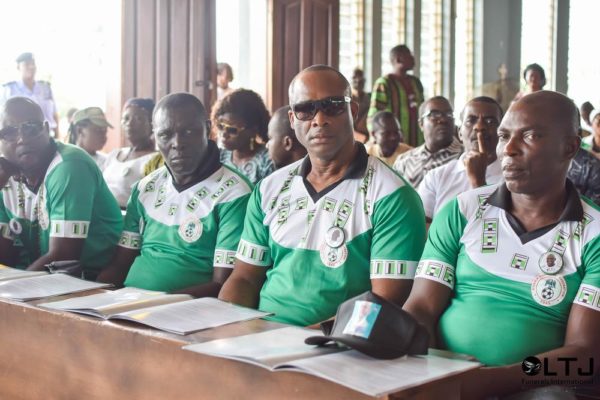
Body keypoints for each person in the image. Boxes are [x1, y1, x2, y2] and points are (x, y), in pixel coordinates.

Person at [403, 91, 600, 399]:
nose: (508, 149)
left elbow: (583, 356)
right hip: (447, 376)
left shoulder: (594, 233)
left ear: (570, 147)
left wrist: (491, 381)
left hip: (534, 386)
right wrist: (431, 373)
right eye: (504, 136)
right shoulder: (463, 211)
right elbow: (421, 308)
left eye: (530, 136)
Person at [219, 65, 426, 326]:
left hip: (338, 350)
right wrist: (224, 328)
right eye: (306, 109)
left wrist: (295, 341)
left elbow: (383, 304)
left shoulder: (392, 196)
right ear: (293, 120)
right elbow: (244, 278)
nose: (318, 119)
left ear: (352, 111)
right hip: (261, 340)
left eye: (332, 106)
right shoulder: (268, 189)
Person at [97, 93, 252, 296]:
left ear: (207, 129)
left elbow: (223, 284)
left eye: (188, 132)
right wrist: (93, 297)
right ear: (155, 136)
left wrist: (156, 304)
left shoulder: (233, 193)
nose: (177, 143)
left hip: (186, 315)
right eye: (165, 135)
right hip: (129, 305)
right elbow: (119, 265)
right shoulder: (145, 188)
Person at [0, 97, 122, 279]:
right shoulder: (6, 175)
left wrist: (11, 290)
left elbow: (63, 258)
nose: (22, 139)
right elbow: (5, 256)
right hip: (39, 283)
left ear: (47, 130)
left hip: (92, 281)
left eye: (31, 128)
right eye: (9, 132)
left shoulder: (69, 165)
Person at [418, 97, 504, 220]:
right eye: (471, 120)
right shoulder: (436, 177)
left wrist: (478, 184)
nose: (479, 126)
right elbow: (422, 228)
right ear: (459, 133)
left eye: (490, 121)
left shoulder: (513, 179)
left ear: (502, 133)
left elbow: (499, 232)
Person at [393, 96, 463, 188]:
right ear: (421, 124)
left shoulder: (465, 157)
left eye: (449, 114)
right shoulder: (404, 161)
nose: (443, 120)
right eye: (434, 114)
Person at [103, 98, 157, 207]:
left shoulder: (155, 160)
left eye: (138, 119)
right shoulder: (114, 155)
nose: (130, 123)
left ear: (152, 124)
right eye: (126, 118)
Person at [213, 89, 275, 184]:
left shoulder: (267, 161)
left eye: (232, 129)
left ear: (253, 130)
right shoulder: (219, 157)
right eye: (220, 126)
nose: (224, 134)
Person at [368, 45, 424, 147]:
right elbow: (375, 115)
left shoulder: (416, 83)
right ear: (398, 59)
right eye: (409, 56)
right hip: (393, 143)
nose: (413, 59)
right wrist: (376, 139)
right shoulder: (384, 83)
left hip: (417, 142)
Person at [0, 53, 59, 137]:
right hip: (21, 138)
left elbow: (55, 114)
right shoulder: (9, 90)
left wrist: (57, 135)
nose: (31, 67)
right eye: (27, 64)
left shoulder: (45, 88)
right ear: (18, 67)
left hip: (49, 136)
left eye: (33, 64)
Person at [351, 68, 370, 143]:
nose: (358, 80)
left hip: (367, 135)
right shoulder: (347, 98)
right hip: (352, 136)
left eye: (360, 78)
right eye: (354, 77)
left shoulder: (368, 98)